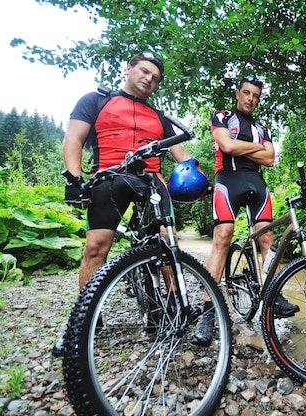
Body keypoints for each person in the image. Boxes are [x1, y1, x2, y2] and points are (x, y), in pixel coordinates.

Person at [53, 52, 195, 356]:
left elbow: (181, 155)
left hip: (150, 179)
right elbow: (73, 139)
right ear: (128, 68)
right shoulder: (96, 100)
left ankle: (172, 305)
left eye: (155, 78)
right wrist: (76, 180)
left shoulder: (159, 117)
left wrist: (198, 178)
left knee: (167, 241)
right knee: (96, 245)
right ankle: (87, 318)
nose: (149, 79)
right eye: (144, 71)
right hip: (108, 176)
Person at [192, 75, 299, 346]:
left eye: (256, 95)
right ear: (238, 94)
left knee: (267, 238)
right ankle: (207, 313)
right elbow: (226, 145)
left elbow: (271, 158)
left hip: (257, 182)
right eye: (246, 93)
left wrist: (242, 148)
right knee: (223, 236)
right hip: (227, 180)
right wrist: (255, 149)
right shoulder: (222, 116)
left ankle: (276, 296)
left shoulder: (263, 126)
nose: (251, 98)